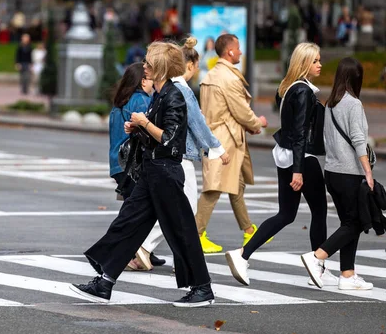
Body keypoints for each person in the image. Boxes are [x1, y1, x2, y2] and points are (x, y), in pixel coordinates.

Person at [70, 42, 215, 308]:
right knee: (127, 223)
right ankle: (104, 282)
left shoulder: (173, 96)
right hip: (152, 172)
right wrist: (137, 128)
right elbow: (154, 137)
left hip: (166, 173)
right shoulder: (161, 94)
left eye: (149, 62)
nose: (144, 66)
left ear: (160, 67)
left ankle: (202, 288)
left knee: (181, 231)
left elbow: (171, 141)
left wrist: (144, 123)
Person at [225, 43, 335, 286]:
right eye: (315, 60)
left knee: (286, 214)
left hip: (284, 155)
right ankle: (318, 263)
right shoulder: (304, 91)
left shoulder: (286, 88)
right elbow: (298, 133)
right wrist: (298, 171)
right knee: (319, 212)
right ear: (304, 63)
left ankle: (243, 254)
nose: (319, 64)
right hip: (301, 159)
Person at [131, 36, 231, 271]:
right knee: (184, 211)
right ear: (188, 66)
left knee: (171, 209)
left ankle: (149, 251)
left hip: (168, 157)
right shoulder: (182, 91)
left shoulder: (167, 88)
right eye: (196, 67)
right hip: (179, 158)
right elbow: (198, 123)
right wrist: (217, 148)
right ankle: (169, 257)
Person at [301, 57, 375, 291]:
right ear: (356, 78)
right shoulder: (353, 104)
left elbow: (326, 140)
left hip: (331, 173)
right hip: (348, 173)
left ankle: (347, 274)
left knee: (348, 222)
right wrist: (368, 172)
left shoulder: (331, 103)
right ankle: (317, 257)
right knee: (355, 223)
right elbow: (358, 139)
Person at [196, 34, 268, 254]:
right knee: (214, 188)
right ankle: (197, 235)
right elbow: (241, 110)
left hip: (218, 136)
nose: (240, 52)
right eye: (238, 48)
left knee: (235, 186)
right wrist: (258, 122)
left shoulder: (212, 74)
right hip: (225, 140)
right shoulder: (228, 78)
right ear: (229, 51)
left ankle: (249, 231)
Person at [108, 62, 153, 201]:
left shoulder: (119, 103)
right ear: (143, 81)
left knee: (132, 208)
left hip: (117, 163)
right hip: (133, 164)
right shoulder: (143, 101)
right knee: (137, 210)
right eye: (152, 78)